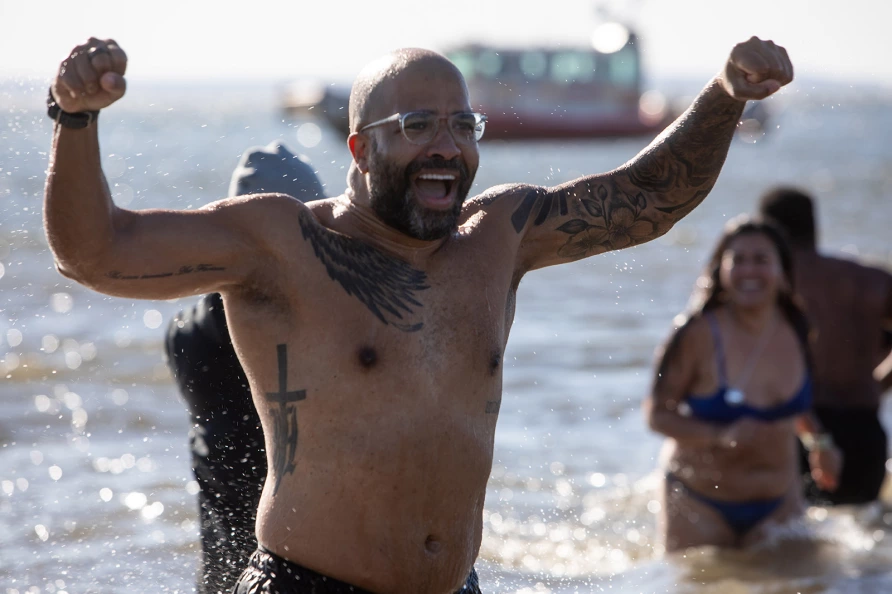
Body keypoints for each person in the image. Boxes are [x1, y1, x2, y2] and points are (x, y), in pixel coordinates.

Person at [44, 35, 793, 593]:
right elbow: (98, 253)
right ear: (359, 148)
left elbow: (645, 199)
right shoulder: (283, 241)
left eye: (464, 127)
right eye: (418, 126)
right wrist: (75, 120)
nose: (447, 147)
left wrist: (725, 93)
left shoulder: (498, 236)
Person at [164, 140, 325, 593]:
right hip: (294, 569)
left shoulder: (185, 330)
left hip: (222, 565)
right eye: (313, 230)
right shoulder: (311, 323)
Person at [644, 216, 841, 551]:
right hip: (699, 502)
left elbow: (797, 405)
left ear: (782, 271)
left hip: (779, 502)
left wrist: (820, 442)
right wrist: (719, 435)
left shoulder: (797, 328)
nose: (749, 271)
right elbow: (657, 415)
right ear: (720, 269)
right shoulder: (697, 333)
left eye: (762, 260)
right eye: (738, 260)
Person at [758, 187, 892, 505]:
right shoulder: (870, 279)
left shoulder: (769, 285)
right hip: (865, 428)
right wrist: (879, 382)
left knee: (797, 541)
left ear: (767, 230)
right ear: (813, 224)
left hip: (799, 431)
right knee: (864, 540)